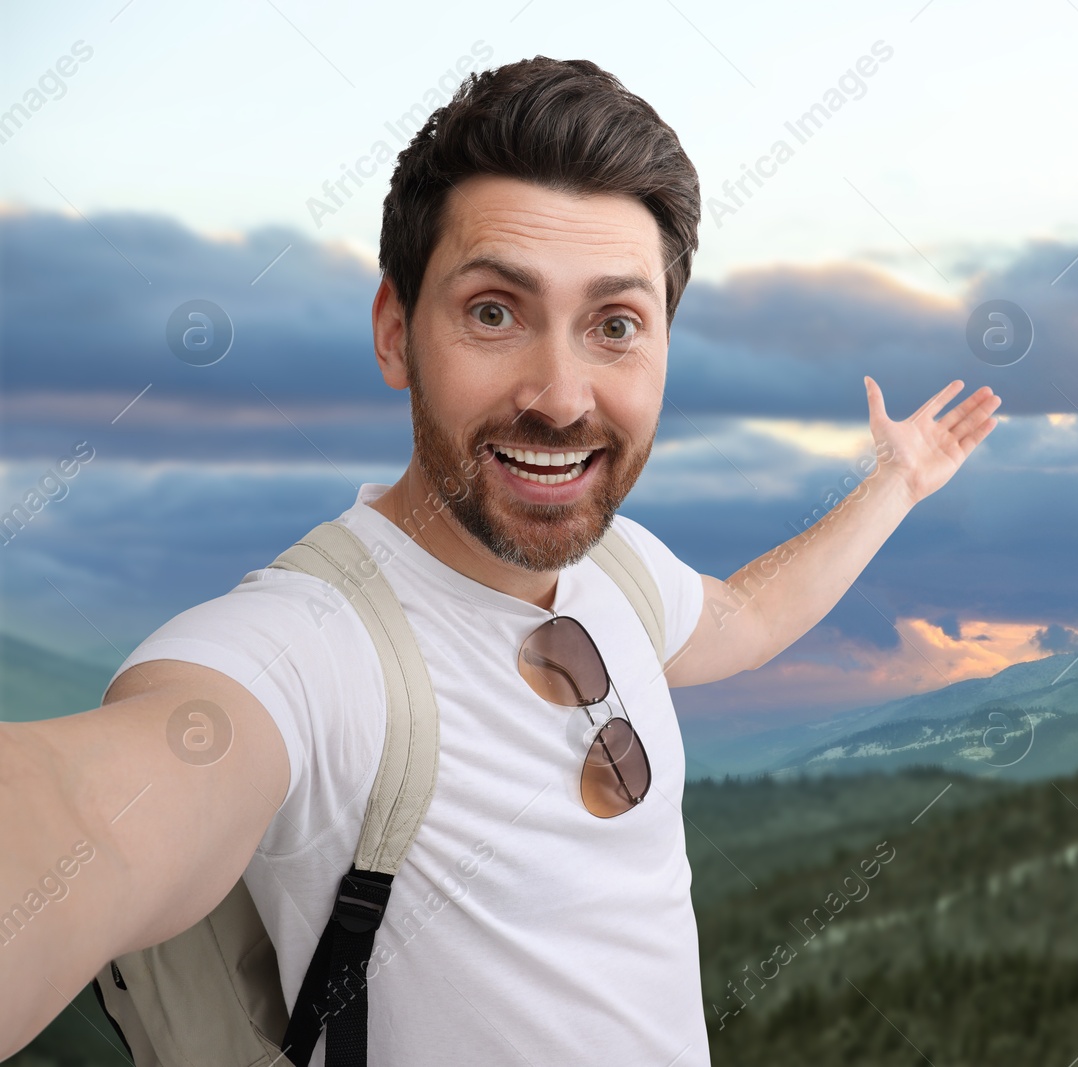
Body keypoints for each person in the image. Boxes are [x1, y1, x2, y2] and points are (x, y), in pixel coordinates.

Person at [0, 55, 1000, 1064]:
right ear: (396, 333)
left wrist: (895, 484)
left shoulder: (618, 569)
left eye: (615, 325)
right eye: (494, 311)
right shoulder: (308, 649)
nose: (560, 395)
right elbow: (87, 809)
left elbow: (744, 618)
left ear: (662, 349)